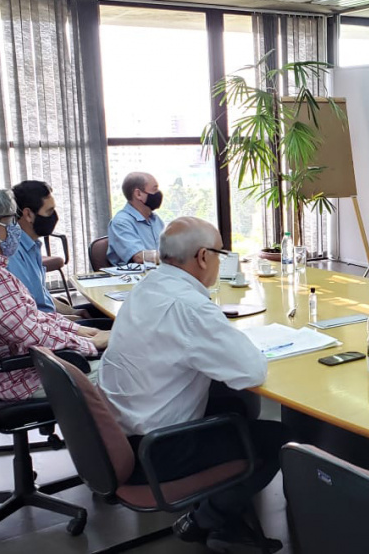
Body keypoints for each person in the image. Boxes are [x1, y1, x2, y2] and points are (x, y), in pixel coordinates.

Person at [99, 216, 287, 548]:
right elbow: (252, 371)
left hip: (121, 433)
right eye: (220, 253)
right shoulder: (189, 306)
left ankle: (227, 517)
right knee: (281, 439)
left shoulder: (147, 287)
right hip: (158, 450)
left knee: (236, 403)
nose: (221, 261)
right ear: (203, 256)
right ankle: (205, 519)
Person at [0, 185, 109, 401]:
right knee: (134, 368)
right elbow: (34, 337)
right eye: (11, 221)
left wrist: (78, 330)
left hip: (2, 373)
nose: (16, 228)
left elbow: (28, 317)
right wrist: (92, 344)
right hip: (26, 377)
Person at [8, 180, 95, 319]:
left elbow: (40, 295)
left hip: (51, 320)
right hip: (45, 326)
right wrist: (72, 321)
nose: (54, 217)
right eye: (49, 211)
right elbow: (30, 314)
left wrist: (72, 311)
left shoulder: (31, 245)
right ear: (28, 214)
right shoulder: (13, 253)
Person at [106, 172, 165, 266]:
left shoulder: (155, 220)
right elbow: (139, 257)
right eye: (155, 189)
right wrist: (175, 258)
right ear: (138, 194)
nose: (158, 194)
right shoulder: (121, 222)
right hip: (138, 274)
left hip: (159, 272)